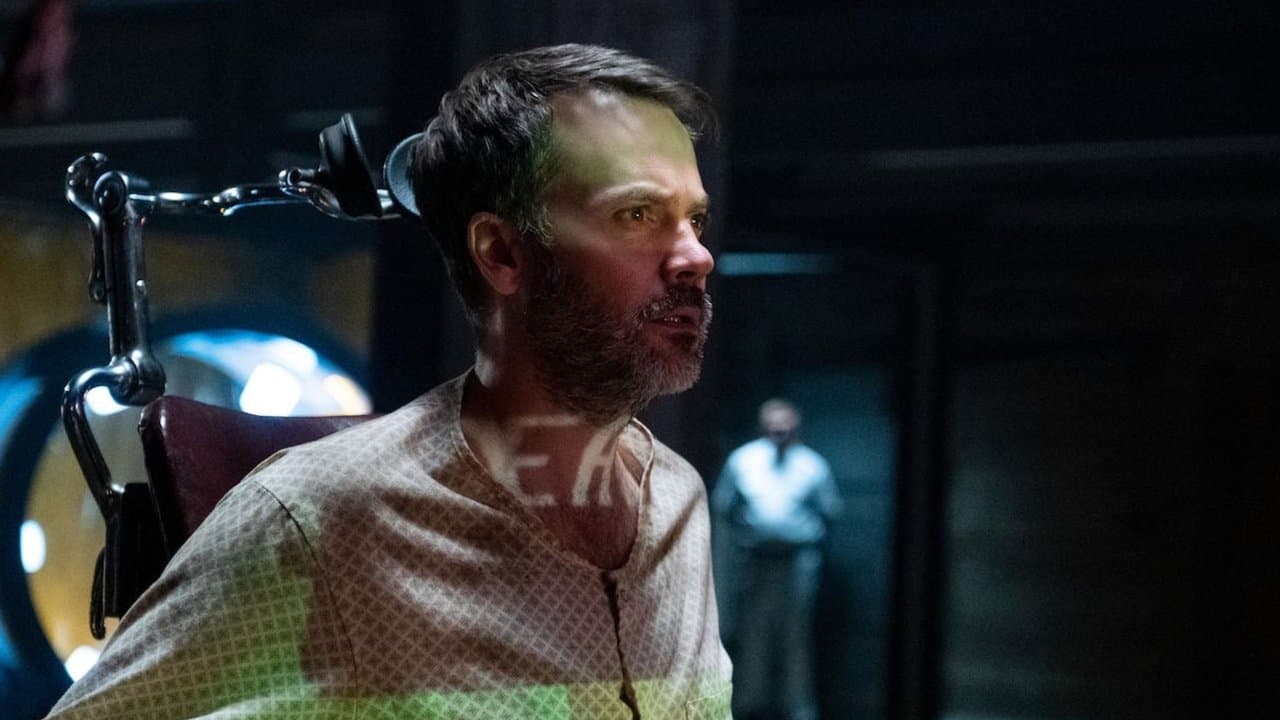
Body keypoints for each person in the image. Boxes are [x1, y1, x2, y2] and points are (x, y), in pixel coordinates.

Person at [46, 44, 731, 719]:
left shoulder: (677, 501)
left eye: (694, 219)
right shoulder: (317, 522)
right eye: (637, 215)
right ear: (501, 252)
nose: (695, 256)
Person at [713, 399, 841, 720]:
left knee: (796, 635)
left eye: (785, 426)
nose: (779, 431)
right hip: (754, 562)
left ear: (796, 427)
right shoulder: (743, 460)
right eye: (773, 425)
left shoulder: (813, 466)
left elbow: (830, 512)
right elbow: (723, 507)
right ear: (762, 427)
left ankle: (798, 708)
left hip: (797, 564)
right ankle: (749, 706)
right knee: (753, 633)